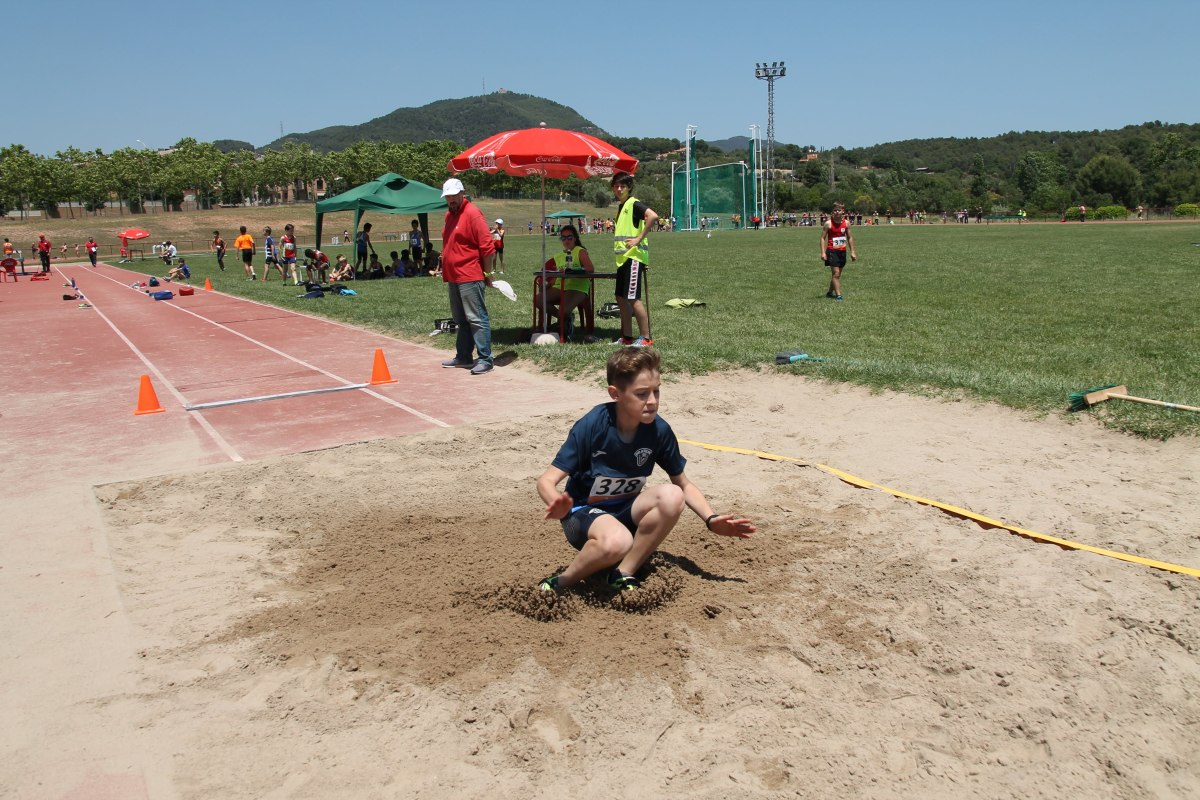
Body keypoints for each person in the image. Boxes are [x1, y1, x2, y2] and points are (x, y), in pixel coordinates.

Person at [536, 347, 756, 593]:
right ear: (615, 394)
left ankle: (622, 573)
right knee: (618, 540)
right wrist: (559, 505)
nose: (652, 401)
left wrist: (711, 519)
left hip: (625, 513)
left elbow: (683, 484)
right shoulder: (593, 424)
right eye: (642, 394)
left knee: (672, 495)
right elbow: (545, 481)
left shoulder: (659, 431)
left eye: (656, 391)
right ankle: (561, 582)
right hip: (582, 515)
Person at [438, 177, 495, 375]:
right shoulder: (449, 215)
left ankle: (485, 359)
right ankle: (463, 356)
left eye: (454, 195)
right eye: (448, 197)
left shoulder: (473, 214)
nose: (451, 200)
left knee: (476, 318)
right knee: (460, 319)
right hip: (454, 276)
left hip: (470, 275)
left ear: (462, 193)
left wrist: (487, 273)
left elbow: (487, 247)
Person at [610, 172, 658, 347]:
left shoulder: (633, 204)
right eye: (616, 186)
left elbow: (653, 216)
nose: (619, 189)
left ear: (629, 187)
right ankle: (627, 337)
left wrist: (638, 238)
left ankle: (645, 338)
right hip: (623, 259)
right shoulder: (622, 206)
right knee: (620, 298)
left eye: (623, 186)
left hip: (634, 257)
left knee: (633, 298)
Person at [534, 224, 593, 339]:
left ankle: (563, 319)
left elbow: (590, 269)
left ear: (575, 238)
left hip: (577, 286)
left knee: (563, 310)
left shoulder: (580, 251)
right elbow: (556, 276)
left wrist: (573, 270)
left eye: (569, 237)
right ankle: (566, 319)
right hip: (560, 286)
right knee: (538, 299)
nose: (566, 240)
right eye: (563, 238)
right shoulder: (558, 256)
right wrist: (548, 284)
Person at [820, 202, 857, 301]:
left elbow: (850, 237)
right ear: (832, 212)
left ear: (842, 211)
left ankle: (829, 292)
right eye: (835, 210)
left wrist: (852, 251)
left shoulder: (846, 223)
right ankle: (839, 296)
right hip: (832, 251)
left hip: (842, 251)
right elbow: (822, 238)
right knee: (836, 273)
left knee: (837, 275)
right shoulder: (828, 223)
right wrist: (823, 252)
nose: (837, 212)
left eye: (839, 210)